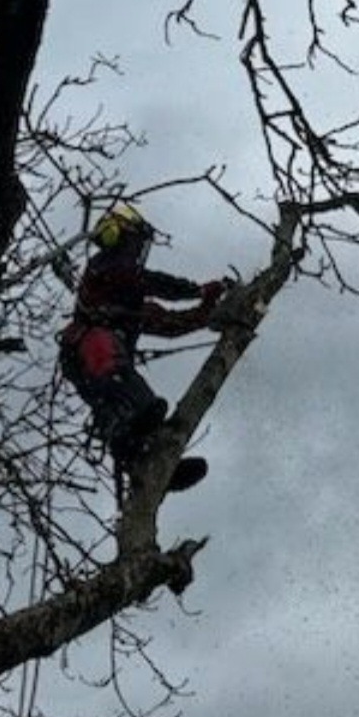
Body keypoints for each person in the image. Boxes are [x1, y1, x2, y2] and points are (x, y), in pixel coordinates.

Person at [59, 202, 227, 496]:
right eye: (136, 242)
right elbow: (148, 281)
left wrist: (207, 309)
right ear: (122, 235)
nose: (138, 250)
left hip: (93, 366)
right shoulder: (103, 268)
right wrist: (196, 290)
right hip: (90, 350)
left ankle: (150, 464)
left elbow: (171, 323)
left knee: (114, 415)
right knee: (124, 387)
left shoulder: (132, 304)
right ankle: (137, 427)